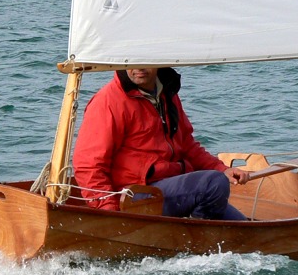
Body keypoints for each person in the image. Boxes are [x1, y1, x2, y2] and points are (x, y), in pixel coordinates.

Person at [72, 67, 249, 219]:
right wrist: (110, 214)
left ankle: (190, 236)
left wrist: (222, 169)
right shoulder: (108, 101)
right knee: (214, 184)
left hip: (172, 188)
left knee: (245, 231)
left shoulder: (167, 93)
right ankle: (191, 241)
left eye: (145, 60)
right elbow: (88, 166)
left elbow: (187, 145)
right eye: (132, 61)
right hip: (136, 195)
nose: (139, 67)